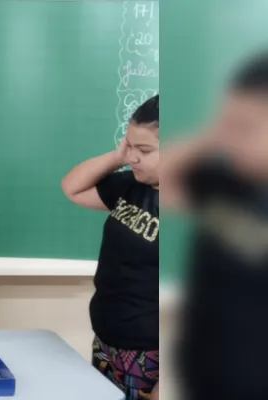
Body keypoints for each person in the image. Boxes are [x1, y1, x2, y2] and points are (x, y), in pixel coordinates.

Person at [160, 50, 268, 400]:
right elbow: (157, 179)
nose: (232, 139)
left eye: (247, 127)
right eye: (228, 124)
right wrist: (214, 133)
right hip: (203, 374)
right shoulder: (220, 180)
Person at [61, 95, 160, 399]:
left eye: (144, 150)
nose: (134, 157)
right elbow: (72, 188)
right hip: (107, 342)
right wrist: (119, 156)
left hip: (150, 361)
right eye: (130, 146)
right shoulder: (132, 185)